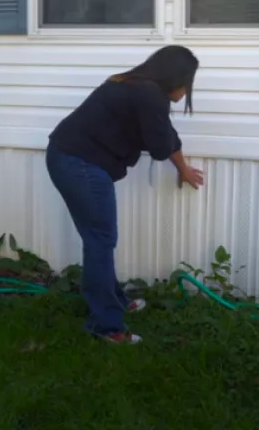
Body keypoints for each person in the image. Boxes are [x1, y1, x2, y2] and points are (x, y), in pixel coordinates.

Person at [46, 45, 204, 344]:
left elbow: (166, 134)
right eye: (186, 83)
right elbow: (160, 147)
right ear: (174, 78)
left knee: (98, 240)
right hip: (79, 164)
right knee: (100, 241)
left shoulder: (133, 85)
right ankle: (106, 326)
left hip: (68, 157)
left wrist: (182, 168)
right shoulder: (148, 96)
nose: (186, 92)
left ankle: (111, 303)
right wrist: (171, 154)